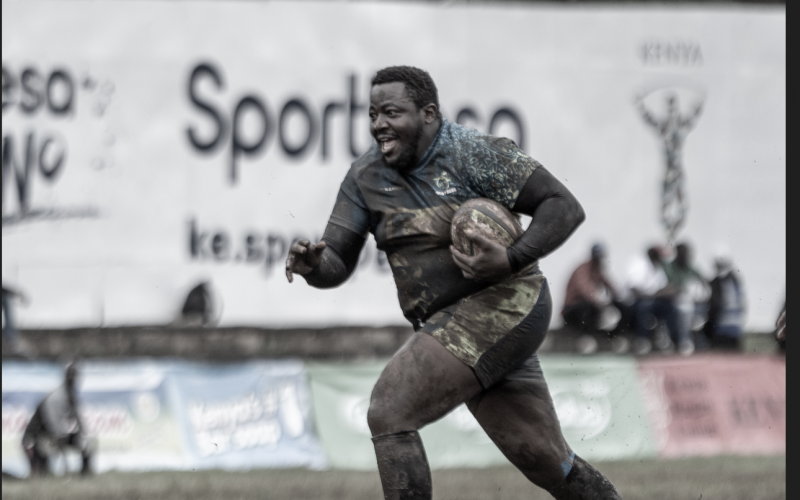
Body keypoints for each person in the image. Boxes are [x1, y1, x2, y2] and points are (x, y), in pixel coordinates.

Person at [286, 66, 620, 499]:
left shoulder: (473, 153)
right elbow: (336, 260)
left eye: (391, 112)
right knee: (543, 458)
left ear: (429, 114)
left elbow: (564, 206)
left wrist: (512, 258)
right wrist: (315, 264)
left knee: (390, 410)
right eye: (372, 115)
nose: (378, 125)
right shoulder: (363, 177)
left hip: (507, 302)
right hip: (452, 322)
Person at [22, 363, 95, 476]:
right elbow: (53, 424)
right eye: (70, 375)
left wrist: (83, 434)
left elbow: (77, 418)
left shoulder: (71, 395)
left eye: (74, 375)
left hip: (55, 434)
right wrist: (62, 437)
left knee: (88, 442)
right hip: (38, 437)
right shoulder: (56, 397)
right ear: (65, 376)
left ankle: (85, 474)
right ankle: (41, 474)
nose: (72, 378)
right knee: (42, 471)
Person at [625, 245, 681, 356]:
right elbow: (634, 289)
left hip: (653, 300)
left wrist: (665, 291)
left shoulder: (658, 267)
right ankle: (642, 340)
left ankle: (668, 339)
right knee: (645, 306)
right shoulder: (639, 264)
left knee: (671, 307)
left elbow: (664, 287)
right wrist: (654, 294)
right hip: (636, 301)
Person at [663, 242, 708, 355]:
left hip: (693, 301)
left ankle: (699, 340)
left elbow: (703, 281)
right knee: (685, 309)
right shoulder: (670, 267)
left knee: (697, 310)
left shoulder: (691, 267)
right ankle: (684, 340)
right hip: (671, 301)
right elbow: (668, 285)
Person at [562, 243, 619, 331]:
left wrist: (618, 295)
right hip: (572, 308)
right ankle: (586, 334)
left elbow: (607, 282)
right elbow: (584, 288)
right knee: (588, 308)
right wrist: (599, 301)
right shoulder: (583, 269)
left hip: (586, 304)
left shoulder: (597, 270)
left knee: (618, 306)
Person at [701, 254, 746, 351]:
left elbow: (716, 306)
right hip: (737, 330)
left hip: (721, 330)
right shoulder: (736, 279)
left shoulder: (719, 280)